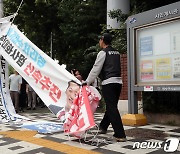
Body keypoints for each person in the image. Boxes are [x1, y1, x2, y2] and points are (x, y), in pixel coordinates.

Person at [85, 33, 126, 142]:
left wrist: (87, 82)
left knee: (112, 108)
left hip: (108, 83)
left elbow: (96, 68)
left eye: (100, 40)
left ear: (103, 40)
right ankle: (103, 126)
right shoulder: (116, 52)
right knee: (111, 106)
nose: (99, 42)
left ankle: (120, 134)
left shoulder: (103, 53)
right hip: (118, 82)